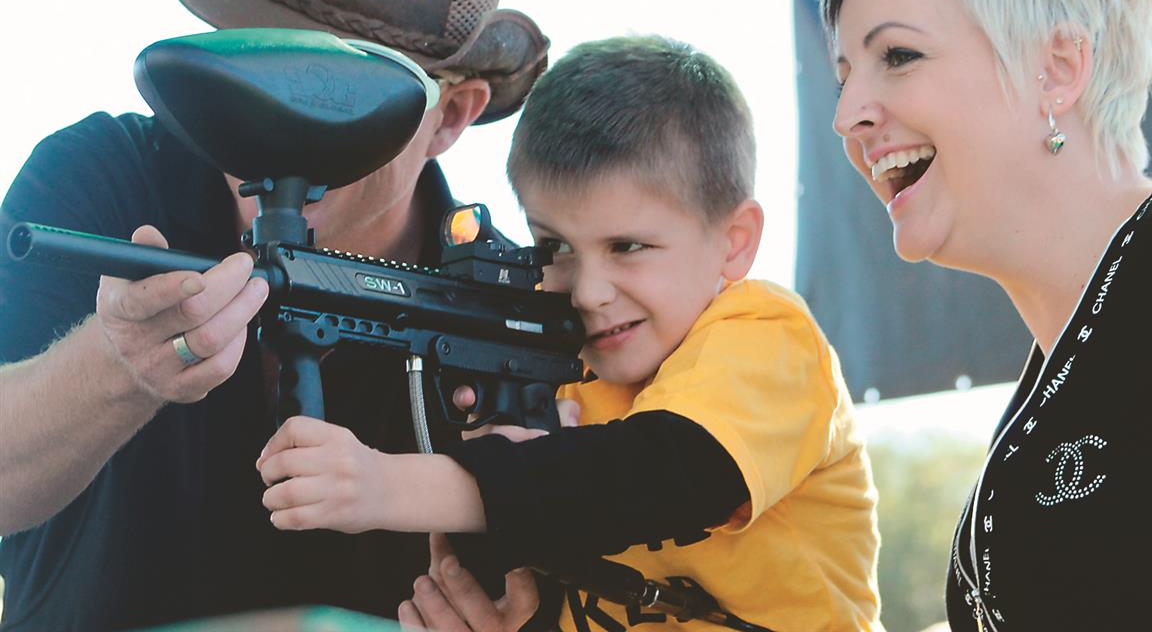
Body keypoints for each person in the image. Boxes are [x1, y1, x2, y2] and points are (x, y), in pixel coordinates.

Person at [0, 0, 549, 629]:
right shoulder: (105, 180)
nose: (283, 117)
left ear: (450, 117)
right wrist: (117, 367)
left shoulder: (506, 307)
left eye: (341, 91)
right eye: (260, 62)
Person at [258, 35, 884, 631]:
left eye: (627, 246)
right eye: (554, 247)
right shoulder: (571, 382)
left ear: (735, 242)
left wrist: (386, 485)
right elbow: (562, 533)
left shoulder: (767, 338)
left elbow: (660, 476)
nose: (588, 291)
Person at [819, 0, 1152, 628]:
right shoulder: (1059, 367)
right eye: (842, 78)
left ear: (1057, 69)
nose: (847, 117)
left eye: (897, 55)